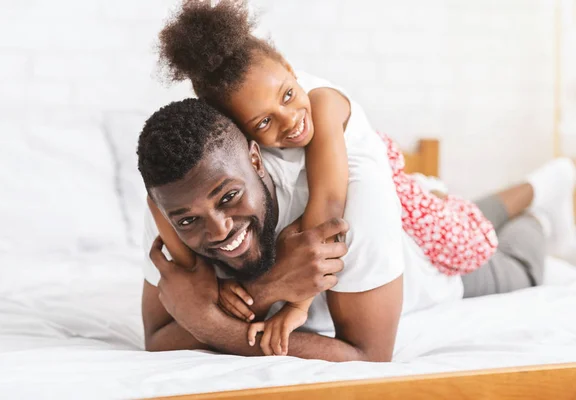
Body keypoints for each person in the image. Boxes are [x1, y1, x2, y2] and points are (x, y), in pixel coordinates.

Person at [150, 0, 576, 355]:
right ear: (242, 133)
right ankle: (542, 185)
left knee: (494, 251)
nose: (289, 120)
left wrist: (289, 301)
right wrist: (251, 292)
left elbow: (327, 211)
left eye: (287, 96)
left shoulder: (327, 118)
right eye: (263, 121)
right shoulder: (188, 172)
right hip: (405, 198)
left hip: (416, 240)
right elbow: (164, 310)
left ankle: (540, 205)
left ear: (289, 68)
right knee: (460, 210)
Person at [138, 98, 576, 361]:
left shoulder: (345, 195)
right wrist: (268, 289)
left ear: (256, 159)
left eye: (229, 197)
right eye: (189, 220)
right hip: (406, 215)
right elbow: (157, 337)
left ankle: (541, 204)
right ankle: (540, 183)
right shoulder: (172, 198)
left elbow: (369, 356)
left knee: (518, 264)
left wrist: (209, 324)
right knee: (472, 211)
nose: (218, 230)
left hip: (423, 266)